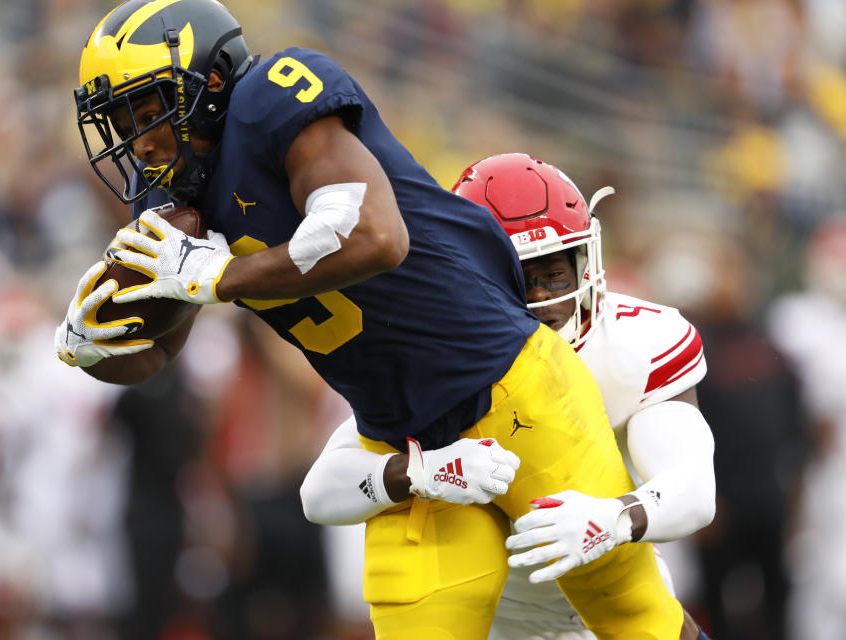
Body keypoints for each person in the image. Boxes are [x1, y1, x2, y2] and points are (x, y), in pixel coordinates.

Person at [55, 1, 691, 637]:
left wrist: (218, 277)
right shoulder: (182, 205)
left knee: (638, 619)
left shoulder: (272, 101)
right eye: (121, 122)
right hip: (407, 448)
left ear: (211, 82)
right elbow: (156, 357)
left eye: (148, 110)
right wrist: (90, 348)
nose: (141, 140)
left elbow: (375, 237)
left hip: (511, 383)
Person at [301, 152, 718, 639]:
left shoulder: (633, 343)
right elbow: (321, 493)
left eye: (554, 271)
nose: (542, 297)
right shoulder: (436, 357)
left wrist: (614, 517)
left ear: (585, 260)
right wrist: (419, 472)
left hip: (616, 604)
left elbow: (694, 487)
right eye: (520, 277)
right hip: (494, 624)